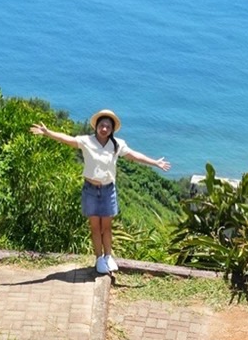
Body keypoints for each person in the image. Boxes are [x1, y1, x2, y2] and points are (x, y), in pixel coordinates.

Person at [29, 109, 170, 274]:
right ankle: (98, 258)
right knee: (95, 227)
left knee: (107, 227)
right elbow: (67, 139)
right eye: (102, 125)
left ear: (112, 130)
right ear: (96, 126)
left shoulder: (117, 145)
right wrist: (48, 133)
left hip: (108, 190)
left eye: (108, 127)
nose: (104, 129)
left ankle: (108, 256)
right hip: (90, 190)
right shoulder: (86, 141)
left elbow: (134, 155)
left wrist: (155, 163)